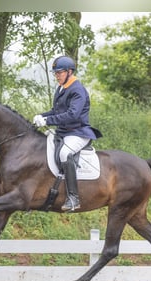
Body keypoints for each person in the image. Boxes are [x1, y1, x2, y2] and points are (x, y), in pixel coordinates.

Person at [33, 56, 101, 212]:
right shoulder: (61, 88)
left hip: (78, 132)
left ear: (70, 72)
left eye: (60, 73)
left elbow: (72, 115)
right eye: (55, 73)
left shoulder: (77, 90)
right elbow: (57, 111)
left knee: (64, 154)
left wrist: (48, 120)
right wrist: (42, 116)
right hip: (64, 132)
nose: (57, 76)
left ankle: (73, 198)